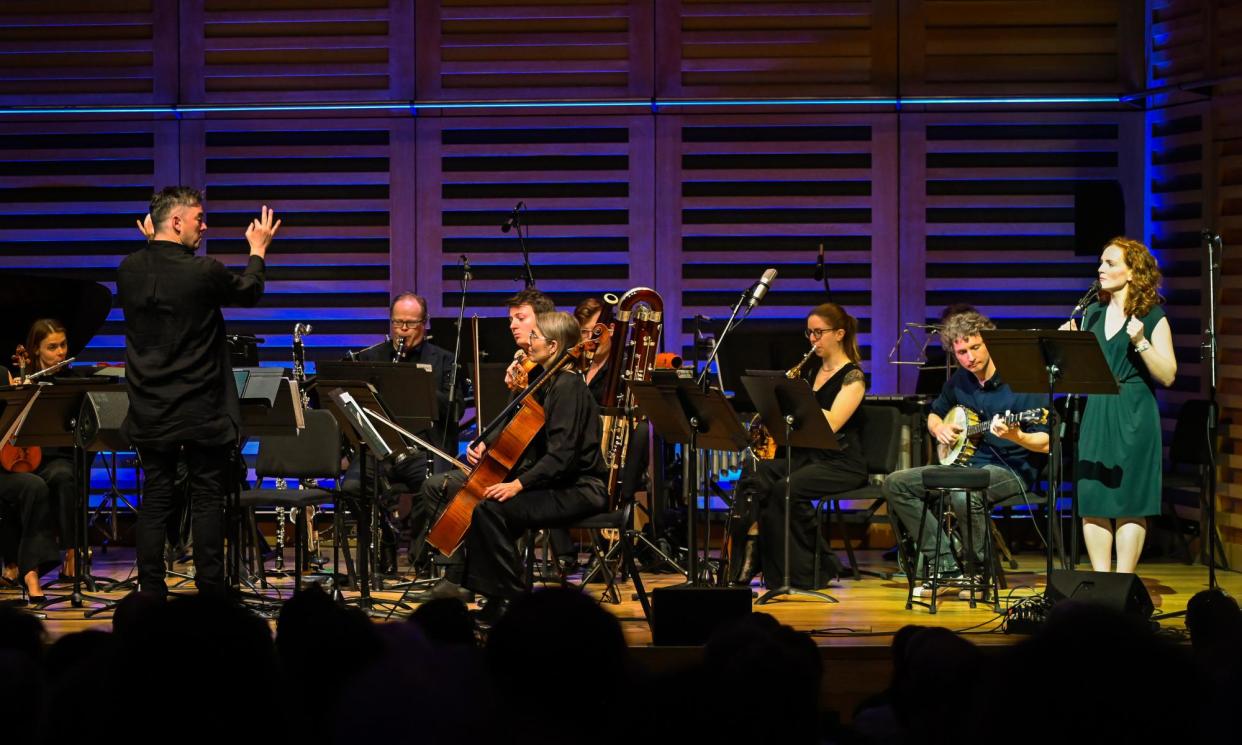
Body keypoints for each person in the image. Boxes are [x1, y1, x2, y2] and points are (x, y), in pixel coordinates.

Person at [118, 187, 279, 597]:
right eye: (199, 219)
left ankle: (151, 593)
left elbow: (161, 282)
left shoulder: (128, 270)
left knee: (156, 495)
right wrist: (258, 249)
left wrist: (150, 247)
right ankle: (211, 593)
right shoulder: (203, 271)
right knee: (208, 496)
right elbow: (250, 290)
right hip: (200, 408)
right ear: (176, 221)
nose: (204, 227)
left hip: (150, 406)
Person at [455, 310, 607, 624]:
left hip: (579, 488)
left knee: (490, 509)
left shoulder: (568, 387)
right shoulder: (547, 382)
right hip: (557, 484)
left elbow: (562, 458)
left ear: (553, 347)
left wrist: (517, 484)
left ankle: (512, 602)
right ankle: (498, 600)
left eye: (535, 336)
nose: (529, 342)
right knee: (484, 507)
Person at [884, 311, 1049, 596]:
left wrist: (1017, 435)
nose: (969, 357)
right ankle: (946, 565)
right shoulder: (960, 380)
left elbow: (1046, 442)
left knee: (964, 492)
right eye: (962, 351)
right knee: (895, 483)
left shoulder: (1023, 379)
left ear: (989, 343)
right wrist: (939, 431)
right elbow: (934, 414)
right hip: (965, 465)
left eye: (975, 347)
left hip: (1012, 469)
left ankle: (978, 573)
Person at [411, 288, 556, 594]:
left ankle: (465, 577)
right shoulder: (521, 366)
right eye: (511, 319)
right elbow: (509, 421)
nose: (512, 325)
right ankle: (459, 573)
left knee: (452, 491)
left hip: (531, 472)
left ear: (543, 323)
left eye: (521, 318)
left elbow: (539, 430)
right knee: (434, 486)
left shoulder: (551, 372)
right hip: (504, 463)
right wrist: (483, 442)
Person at [1064, 237, 1176, 574]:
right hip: (1097, 411)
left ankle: (1124, 582)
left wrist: (1140, 342)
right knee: (1093, 499)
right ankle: (1102, 583)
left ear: (1132, 272)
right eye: (1101, 262)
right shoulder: (1092, 314)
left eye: (1110, 263)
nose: (1101, 268)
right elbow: (1077, 371)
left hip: (1134, 413)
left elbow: (1168, 375)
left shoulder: (1152, 316)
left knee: (1130, 502)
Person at [737, 303, 868, 590]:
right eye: (809, 333)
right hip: (810, 458)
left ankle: (811, 570)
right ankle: (757, 556)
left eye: (819, 333)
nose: (812, 339)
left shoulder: (853, 377)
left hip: (842, 463)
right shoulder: (811, 374)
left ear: (839, 334)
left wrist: (799, 399)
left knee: (786, 488)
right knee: (757, 473)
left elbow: (832, 423)